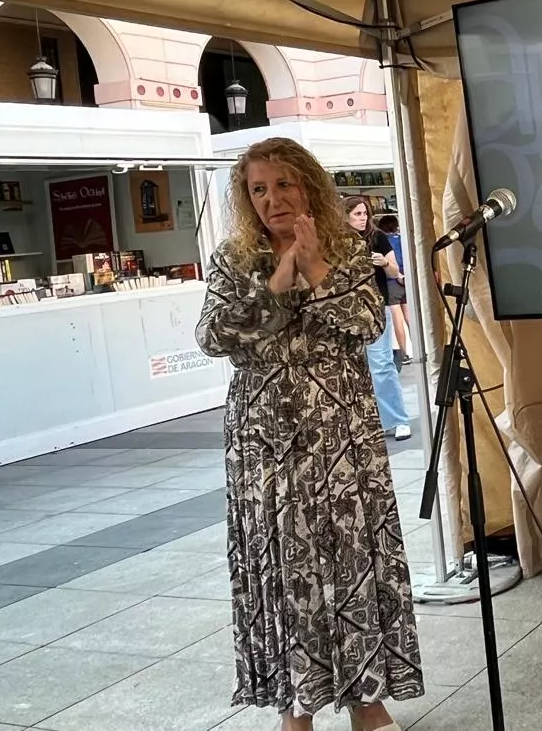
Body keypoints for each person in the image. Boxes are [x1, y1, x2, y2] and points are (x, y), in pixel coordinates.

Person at [196, 137, 424, 731]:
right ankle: (296, 709)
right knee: (283, 565)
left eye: (284, 184)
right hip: (264, 440)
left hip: (340, 436)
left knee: (350, 563)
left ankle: (366, 702)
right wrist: (278, 281)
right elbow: (215, 336)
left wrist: (316, 265)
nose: (272, 198)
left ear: (309, 187)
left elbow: (368, 323)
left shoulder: (348, 251)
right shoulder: (232, 260)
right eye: (258, 189)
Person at [345, 196, 413, 440]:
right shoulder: (338, 242)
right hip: (348, 311)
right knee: (353, 367)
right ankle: (369, 420)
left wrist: (384, 262)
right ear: (346, 216)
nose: (362, 218)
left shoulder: (378, 238)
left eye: (365, 214)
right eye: (357, 214)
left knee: (381, 364)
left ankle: (398, 419)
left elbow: (394, 271)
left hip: (375, 306)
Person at [377, 214, 412, 366]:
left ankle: (404, 353)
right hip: (406, 281)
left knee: (397, 319)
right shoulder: (403, 239)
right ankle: (419, 348)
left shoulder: (385, 242)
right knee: (409, 316)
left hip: (391, 282)